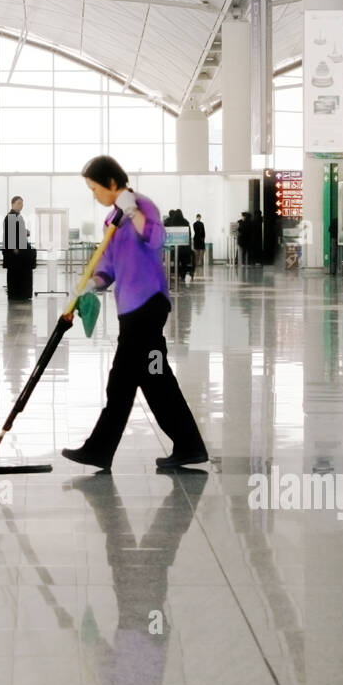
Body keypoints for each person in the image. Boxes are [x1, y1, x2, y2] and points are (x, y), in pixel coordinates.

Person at [62, 155, 208, 472]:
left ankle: (99, 449)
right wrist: (90, 285)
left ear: (112, 183)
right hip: (129, 308)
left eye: (95, 188)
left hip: (149, 305)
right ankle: (189, 445)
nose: (94, 195)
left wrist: (132, 210)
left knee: (123, 380)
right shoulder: (110, 222)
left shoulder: (142, 206)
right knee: (153, 378)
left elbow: (156, 238)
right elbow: (108, 267)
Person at [2, 195, 34, 300]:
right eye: (19, 203)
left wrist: (26, 232)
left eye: (22, 203)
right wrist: (15, 249)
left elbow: (18, 231)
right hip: (16, 251)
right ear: (13, 204)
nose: (21, 205)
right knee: (16, 273)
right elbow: (11, 235)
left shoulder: (17, 216)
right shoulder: (12, 216)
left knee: (19, 273)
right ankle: (18, 294)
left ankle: (21, 294)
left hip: (20, 249)